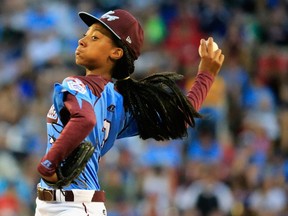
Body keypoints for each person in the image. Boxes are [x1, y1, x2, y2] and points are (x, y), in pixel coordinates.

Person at [35, 9, 224, 216]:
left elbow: (85, 119)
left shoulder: (76, 85)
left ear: (116, 53)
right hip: (73, 206)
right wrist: (205, 76)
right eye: (85, 35)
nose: (82, 41)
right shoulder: (117, 103)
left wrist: (48, 165)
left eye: (95, 37)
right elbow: (179, 120)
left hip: (69, 207)